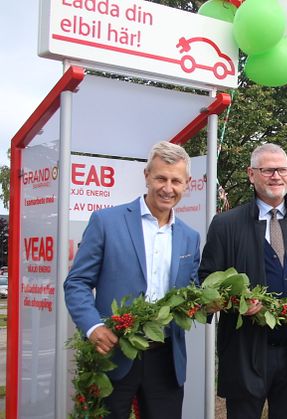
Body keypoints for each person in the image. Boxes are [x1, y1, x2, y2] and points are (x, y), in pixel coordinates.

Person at [64, 141, 201, 419]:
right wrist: (93, 327)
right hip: (113, 353)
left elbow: (191, 293)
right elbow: (76, 282)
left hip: (165, 359)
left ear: (187, 184)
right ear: (147, 176)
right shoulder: (106, 221)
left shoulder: (190, 236)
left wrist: (209, 301)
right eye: (161, 178)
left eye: (176, 181)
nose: (167, 188)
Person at [199, 143, 287, 419]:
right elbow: (205, 283)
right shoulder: (225, 226)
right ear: (251, 174)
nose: (276, 176)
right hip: (245, 356)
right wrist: (233, 303)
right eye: (268, 170)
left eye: (282, 169)